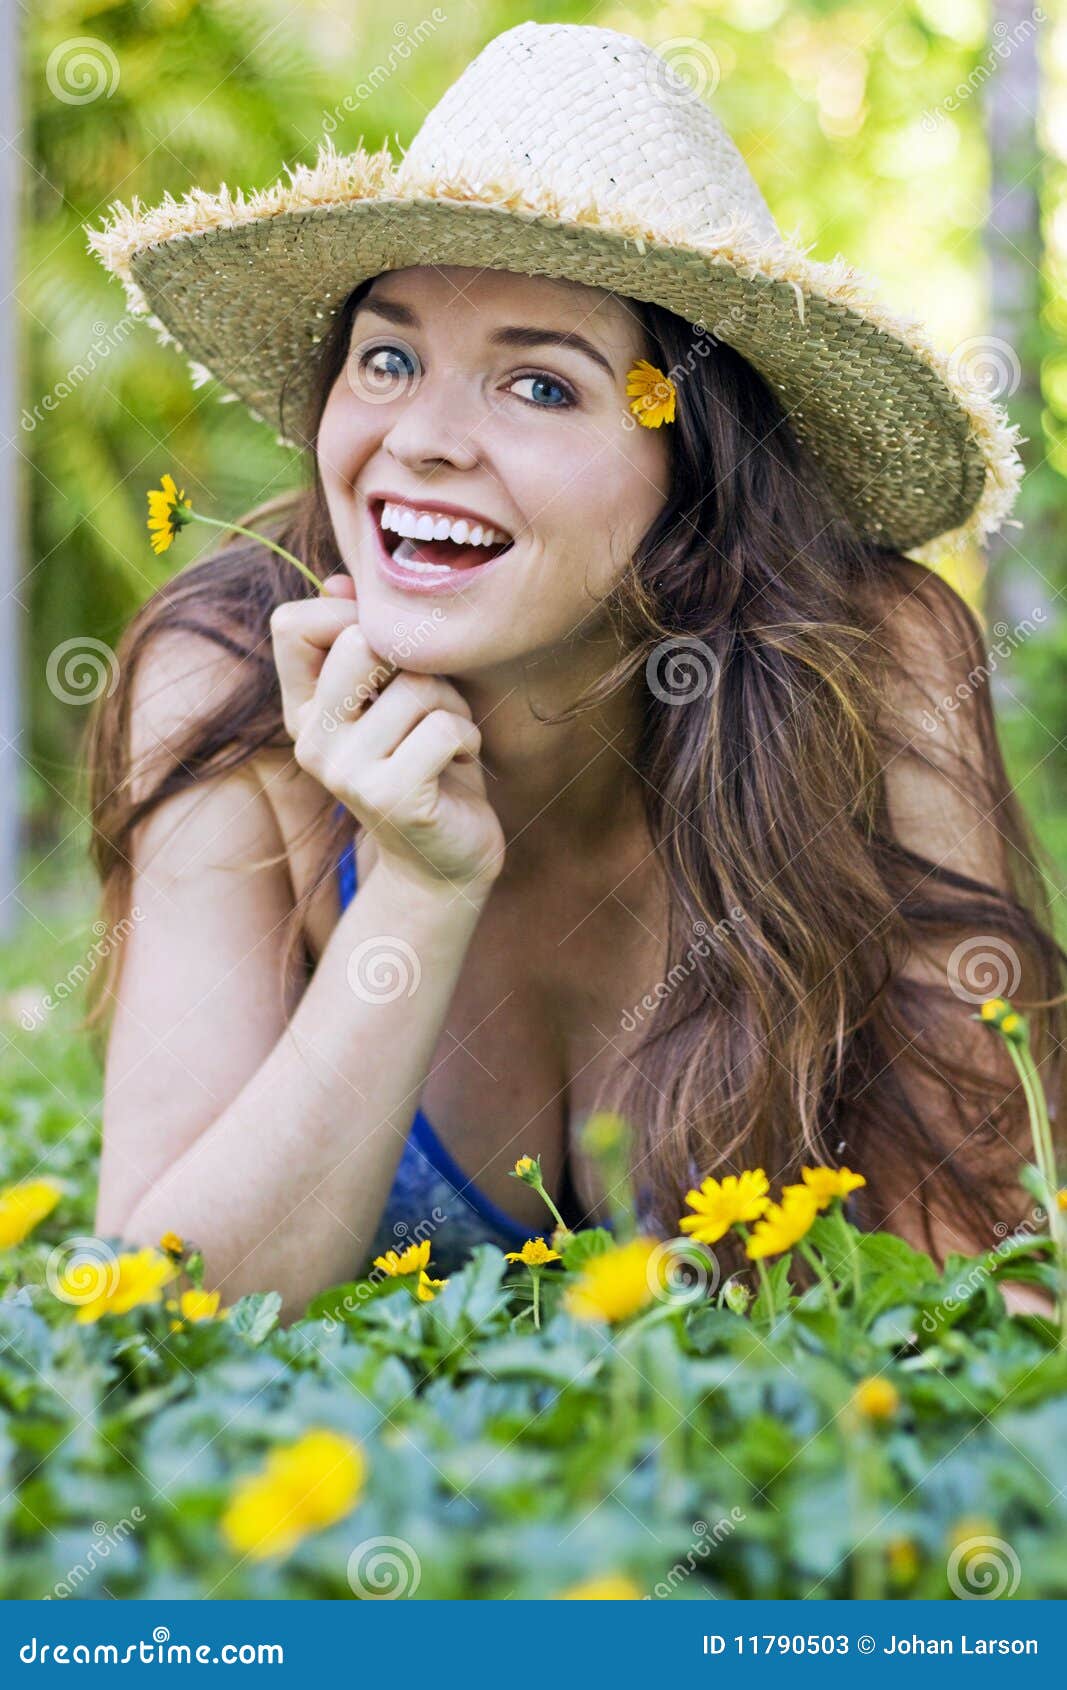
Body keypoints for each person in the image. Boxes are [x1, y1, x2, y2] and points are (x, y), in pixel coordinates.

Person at [82, 22, 1065, 1320]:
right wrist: (420, 893)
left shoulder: (870, 664)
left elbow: (991, 1273)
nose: (421, 439)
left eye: (540, 385)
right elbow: (151, 1310)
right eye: (388, 357)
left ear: (692, 464)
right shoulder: (221, 686)